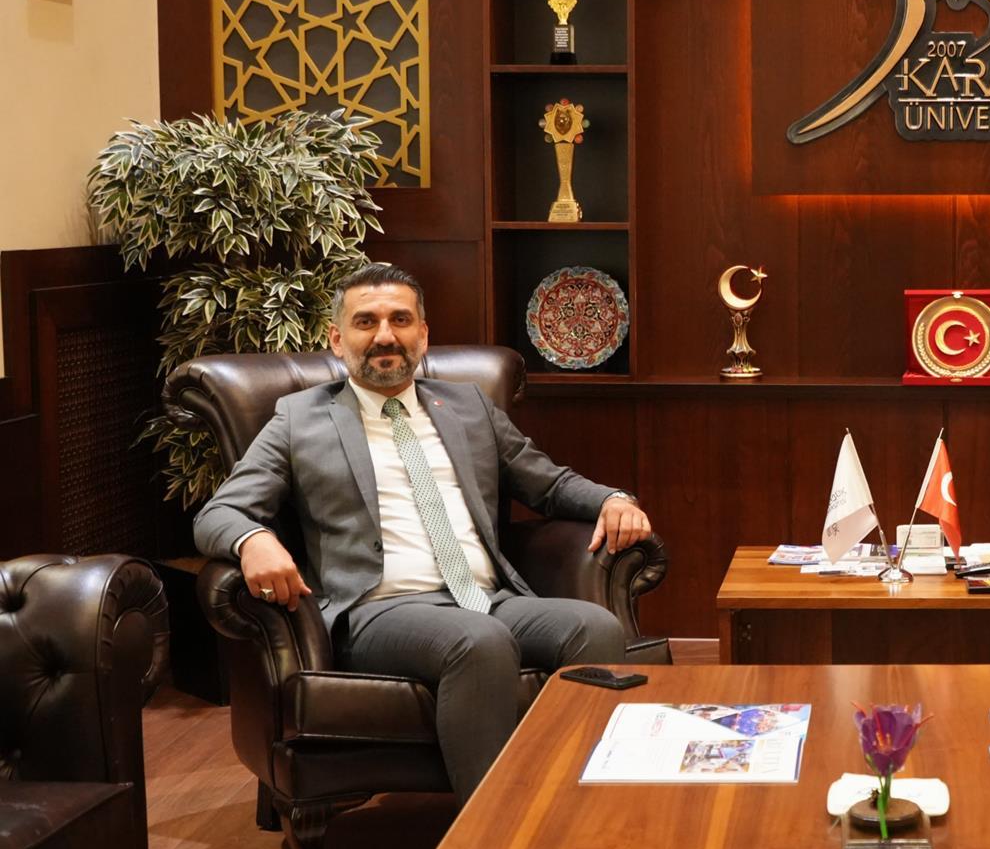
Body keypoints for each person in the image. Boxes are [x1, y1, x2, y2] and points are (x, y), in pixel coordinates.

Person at [194, 262, 654, 801]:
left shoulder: (468, 406)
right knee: (479, 642)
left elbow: (548, 483)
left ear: (423, 334)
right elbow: (219, 512)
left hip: (487, 599)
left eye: (400, 319)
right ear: (338, 340)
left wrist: (613, 499)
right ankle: (490, 829)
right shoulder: (299, 419)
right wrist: (253, 540)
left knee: (593, 628)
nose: (385, 335)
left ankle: (583, 802)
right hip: (379, 610)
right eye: (366, 322)